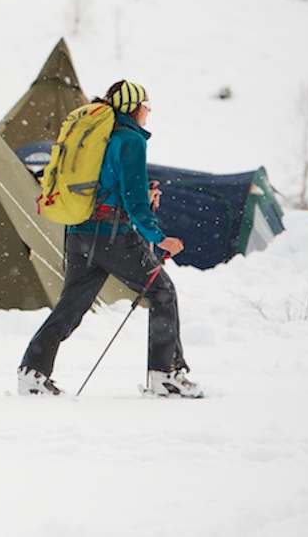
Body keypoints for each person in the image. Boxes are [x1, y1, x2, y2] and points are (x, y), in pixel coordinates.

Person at [18, 81, 204, 398]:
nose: (148, 110)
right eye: (146, 104)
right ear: (133, 107)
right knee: (162, 292)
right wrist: (158, 238)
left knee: (71, 306)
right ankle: (165, 375)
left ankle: (33, 372)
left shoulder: (96, 137)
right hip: (113, 236)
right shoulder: (130, 140)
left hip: (79, 233)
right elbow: (133, 200)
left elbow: (104, 185)